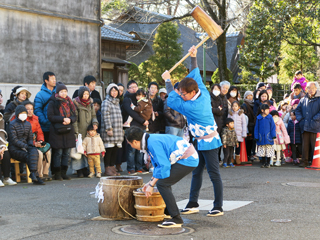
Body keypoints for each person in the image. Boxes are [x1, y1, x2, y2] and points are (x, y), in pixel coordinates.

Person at [162, 46, 224, 217]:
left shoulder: (194, 105)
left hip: (210, 141)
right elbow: (195, 72)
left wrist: (168, 80)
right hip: (197, 140)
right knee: (196, 171)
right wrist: (194, 57)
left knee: (213, 173)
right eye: (180, 92)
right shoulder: (202, 90)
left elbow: (172, 101)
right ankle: (192, 202)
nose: (181, 95)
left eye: (183, 93)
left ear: (192, 92)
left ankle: (218, 205)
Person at [125, 126, 199, 228]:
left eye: (130, 144)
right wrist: (150, 182)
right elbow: (160, 165)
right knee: (164, 181)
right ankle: (169, 212)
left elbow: (164, 166)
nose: (131, 146)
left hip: (187, 159)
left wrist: (152, 184)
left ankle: (176, 218)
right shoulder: (150, 139)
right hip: (186, 157)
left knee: (163, 184)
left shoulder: (152, 143)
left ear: (135, 142)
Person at [11, 102, 52, 181]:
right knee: (38, 153)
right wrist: (34, 144)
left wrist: (40, 141)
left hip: (34, 142)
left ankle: (45, 173)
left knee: (47, 151)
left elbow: (39, 132)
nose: (30, 111)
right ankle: (39, 175)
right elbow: (20, 139)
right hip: (26, 145)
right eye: (27, 109)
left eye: (31, 109)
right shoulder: (18, 120)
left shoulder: (35, 119)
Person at [47, 82, 77, 180]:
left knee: (66, 153)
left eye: (65, 91)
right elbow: (50, 116)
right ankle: (57, 173)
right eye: (61, 91)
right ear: (57, 92)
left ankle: (64, 172)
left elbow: (75, 115)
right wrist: (62, 119)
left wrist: (70, 119)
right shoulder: (53, 101)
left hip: (68, 130)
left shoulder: (69, 102)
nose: (64, 93)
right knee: (58, 153)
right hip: (57, 131)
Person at [122, 80, 148, 175]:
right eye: (131, 87)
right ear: (128, 89)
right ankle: (131, 168)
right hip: (131, 127)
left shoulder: (141, 99)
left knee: (141, 148)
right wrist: (143, 120)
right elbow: (131, 112)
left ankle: (139, 167)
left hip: (141, 126)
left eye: (135, 87)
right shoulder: (127, 99)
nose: (134, 89)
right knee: (131, 149)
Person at [73, 86, 98, 178]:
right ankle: (79, 170)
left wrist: (95, 123)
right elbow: (74, 119)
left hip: (88, 130)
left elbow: (93, 115)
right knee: (78, 151)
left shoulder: (90, 104)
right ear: (80, 94)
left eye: (87, 94)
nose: (86, 96)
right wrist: (76, 132)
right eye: (84, 94)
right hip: (79, 130)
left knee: (86, 150)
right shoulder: (75, 103)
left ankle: (86, 168)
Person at [101, 83, 124, 176]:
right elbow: (105, 116)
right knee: (109, 150)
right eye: (112, 90)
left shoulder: (117, 102)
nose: (114, 93)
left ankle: (112, 167)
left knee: (115, 150)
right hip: (110, 130)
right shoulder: (106, 102)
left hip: (117, 130)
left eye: (116, 91)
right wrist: (109, 128)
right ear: (109, 91)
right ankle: (107, 168)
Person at [295, 82, 320, 167]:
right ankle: (304, 161)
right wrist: (301, 119)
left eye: (313, 88)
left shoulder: (319, 99)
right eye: (309, 88)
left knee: (315, 146)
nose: (311, 90)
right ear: (306, 89)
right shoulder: (303, 99)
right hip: (304, 125)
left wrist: (315, 119)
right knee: (304, 145)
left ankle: (315, 162)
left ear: (316, 89)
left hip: (315, 126)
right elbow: (297, 110)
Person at [34, 72, 56, 142]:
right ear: (46, 81)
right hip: (46, 127)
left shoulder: (59, 92)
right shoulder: (40, 95)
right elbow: (37, 110)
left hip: (57, 126)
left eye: (55, 79)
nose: (54, 80)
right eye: (52, 79)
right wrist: (44, 121)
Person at [0, 112, 17, 187]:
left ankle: (6, 178)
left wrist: (3, 147)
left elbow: (1, 134)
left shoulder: (1, 119)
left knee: (6, 154)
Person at [241, 91, 255, 160]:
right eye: (248, 96)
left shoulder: (254, 104)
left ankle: (250, 155)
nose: (250, 97)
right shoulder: (244, 105)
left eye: (251, 96)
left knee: (251, 142)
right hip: (247, 125)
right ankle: (246, 155)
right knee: (247, 141)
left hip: (252, 125)